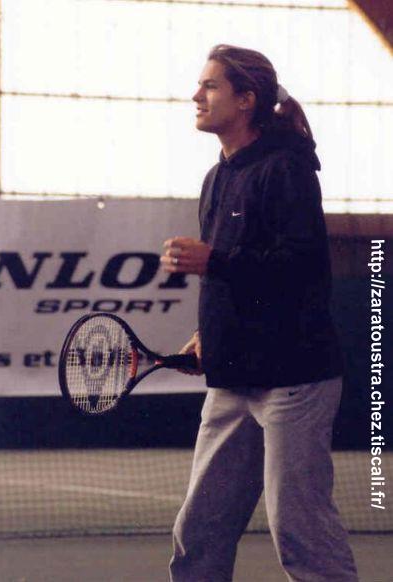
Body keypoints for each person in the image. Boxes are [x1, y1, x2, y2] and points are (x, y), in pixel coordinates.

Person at [160, 44, 358, 582]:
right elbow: (233, 278)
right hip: (234, 380)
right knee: (198, 532)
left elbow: (302, 268)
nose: (196, 95)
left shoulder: (287, 170)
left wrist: (213, 260)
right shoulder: (216, 177)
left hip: (295, 382)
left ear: (246, 99)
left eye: (210, 86)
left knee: (300, 532)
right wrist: (208, 333)